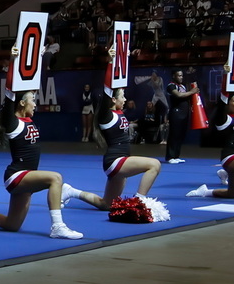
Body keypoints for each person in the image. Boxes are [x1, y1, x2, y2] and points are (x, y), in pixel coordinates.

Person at [0, 48, 85, 239]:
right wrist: (13, 61)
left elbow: (31, 82)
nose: (35, 104)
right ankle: (57, 226)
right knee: (55, 178)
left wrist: (37, 59)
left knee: (12, 225)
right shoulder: (13, 123)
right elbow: (9, 93)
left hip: (28, 177)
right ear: (22, 103)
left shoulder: (28, 119)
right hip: (16, 176)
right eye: (33, 100)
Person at [63, 56, 161, 210]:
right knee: (154, 165)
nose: (125, 98)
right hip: (115, 161)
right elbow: (108, 89)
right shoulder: (106, 115)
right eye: (122, 96)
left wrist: (122, 59)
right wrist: (110, 62)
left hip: (120, 161)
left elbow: (117, 83)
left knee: (107, 205)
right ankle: (139, 202)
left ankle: (71, 191)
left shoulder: (120, 112)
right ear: (113, 100)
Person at [165, 69, 199, 163]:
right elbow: (179, 95)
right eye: (179, 75)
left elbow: (186, 96)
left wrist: (195, 93)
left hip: (184, 114)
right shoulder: (171, 86)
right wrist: (192, 92)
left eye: (182, 75)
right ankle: (170, 157)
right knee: (174, 135)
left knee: (180, 135)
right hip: (176, 113)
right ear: (174, 76)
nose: (181, 77)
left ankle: (176, 156)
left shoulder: (183, 86)